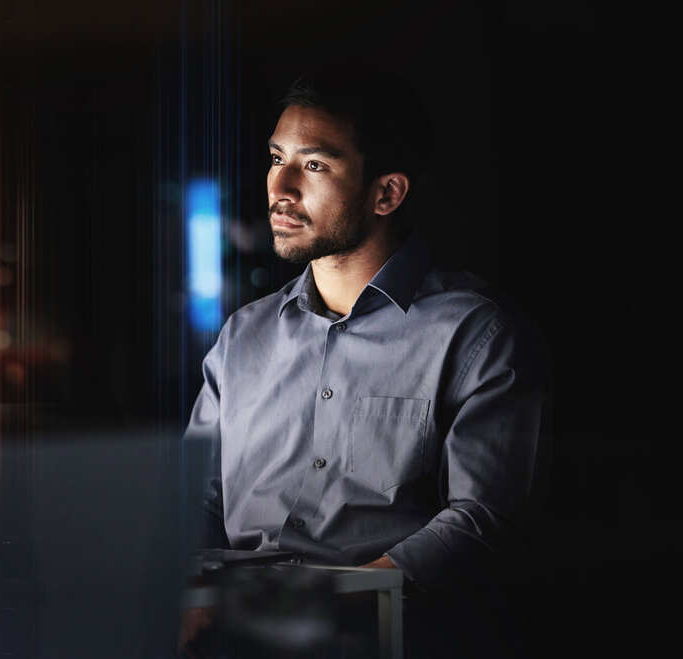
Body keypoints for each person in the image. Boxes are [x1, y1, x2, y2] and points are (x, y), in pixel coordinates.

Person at [179, 64, 550, 658]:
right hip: (229, 629)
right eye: (276, 158)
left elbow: (482, 518)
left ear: (386, 194)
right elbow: (192, 501)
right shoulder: (243, 336)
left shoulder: (475, 333)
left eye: (314, 166)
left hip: (382, 633)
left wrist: (323, 606)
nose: (280, 187)